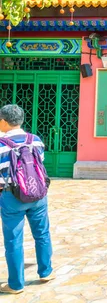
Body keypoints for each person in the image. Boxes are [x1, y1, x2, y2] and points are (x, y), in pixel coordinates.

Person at [0, 105, 54, 294]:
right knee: (42, 233)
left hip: (11, 196)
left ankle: (16, 284)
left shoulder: (1, 143)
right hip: (37, 194)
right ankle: (45, 272)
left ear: (4, 121)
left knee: (13, 240)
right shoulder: (36, 140)